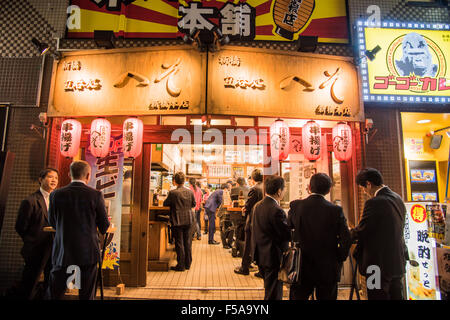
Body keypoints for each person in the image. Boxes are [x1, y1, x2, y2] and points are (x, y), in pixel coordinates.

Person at [46, 161, 109, 300]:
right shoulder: (95, 195)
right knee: (86, 294)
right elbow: (104, 226)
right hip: (87, 253)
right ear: (88, 175)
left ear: (69, 174)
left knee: (55, 293)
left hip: (63, 251)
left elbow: (52, 222)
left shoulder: (56, 194)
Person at [288, 173, 352, 300]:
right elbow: (346, 238)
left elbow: (288, 229)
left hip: (301, 265)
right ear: (329, 190)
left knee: (299, 297)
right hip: (328, 266)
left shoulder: (296, 206)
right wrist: (339, 257)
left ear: (309, 187)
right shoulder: (335, 210)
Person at [350, 168, 407, 300]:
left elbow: (363, 229)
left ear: (368, 184)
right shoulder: (397, 198)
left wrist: (348, 233)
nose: (364, 192)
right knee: (397, 295)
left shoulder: (374, 202)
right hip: (397, 262)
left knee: (375, 296)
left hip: (376, 265)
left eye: (363, 188)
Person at [14, 168, 59, 299]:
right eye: (50, 177)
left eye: (56, 178)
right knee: (30, 284)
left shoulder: (57, 200)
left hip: (54, 248)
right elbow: (20, 227)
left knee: (50, 284)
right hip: (36, 249)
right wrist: (32, 241)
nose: (54, 180)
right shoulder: (30, 201)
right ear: (40, 180)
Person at [251, 175, 291, 300]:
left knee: (269, 288)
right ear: (279, 191)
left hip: (260, 253)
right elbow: (285, 234)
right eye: (284, 189)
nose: (284, 191)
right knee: (273, 292)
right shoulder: (276, 210)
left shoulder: (258, 206)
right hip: (273, 256)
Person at [163, 172, 196, 271]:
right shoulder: (190, 192)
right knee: (187, 242)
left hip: (177, 220)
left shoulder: (173, 193)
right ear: (184, 180)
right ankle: (187, 264)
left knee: (179, 243)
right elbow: (193, 204)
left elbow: (165, 203)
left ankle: (180, 265)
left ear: (175, 181)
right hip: (188, 219)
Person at [235, 169, 264, 276]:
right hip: (262, 220)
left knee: (248, 244)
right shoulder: (264, 187)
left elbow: (249, 205)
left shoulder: (255, 189)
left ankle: (245, 268)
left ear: (252, 178)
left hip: (252, 220)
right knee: (260, 244)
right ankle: (261, 271)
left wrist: (244, 209)